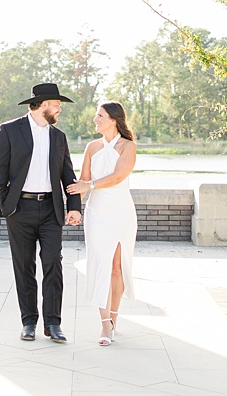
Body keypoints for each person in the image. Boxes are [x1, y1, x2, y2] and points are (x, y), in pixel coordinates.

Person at [0, 82, 83, 343]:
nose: (59, 110)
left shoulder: (59, 137)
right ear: (43, 105)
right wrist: (5, 204)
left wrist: (74, 207)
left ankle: (53, 323)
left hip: (51, 209)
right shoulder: (10, 130)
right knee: (24, 266)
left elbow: (68, 174)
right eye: (56, 105)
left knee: (53, 262)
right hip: (20, 209)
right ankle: (29, 322)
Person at [66, 101, 137, 346]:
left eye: (99, 115)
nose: (95, 119)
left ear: (113, 119)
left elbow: (118, 176)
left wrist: (90, 186)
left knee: (117, 266)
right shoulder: (92, 147)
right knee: (100, 264)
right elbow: (83, 181)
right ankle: (104, 324)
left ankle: (114, 318)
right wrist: (74, 208)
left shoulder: (128, 146)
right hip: (97, 213)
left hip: (121, 211)